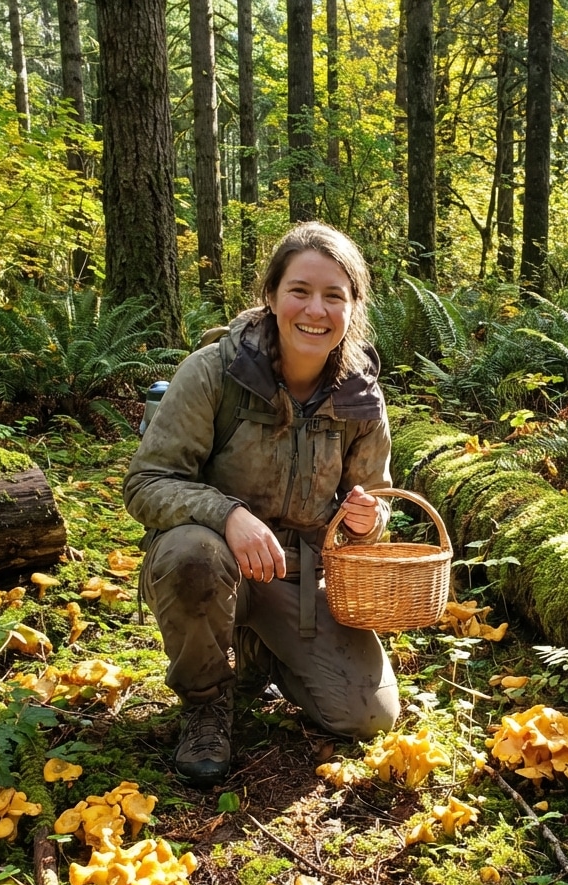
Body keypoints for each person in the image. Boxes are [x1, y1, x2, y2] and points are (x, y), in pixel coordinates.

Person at [123, 222, 400, 786]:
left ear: (353, 308)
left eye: (334, 296)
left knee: (368, 716)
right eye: (299, 290)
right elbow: (146, 482)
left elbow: (373, 502)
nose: (314, 310)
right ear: (271, 297)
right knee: (190, 555)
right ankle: (204, 700)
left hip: (299, 580)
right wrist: (228, 514)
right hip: (212, 561)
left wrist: (369, 520)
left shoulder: (360, 396)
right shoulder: (213, 373)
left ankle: (260, 649)